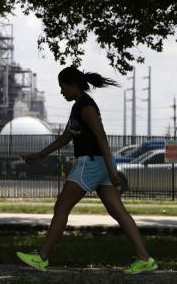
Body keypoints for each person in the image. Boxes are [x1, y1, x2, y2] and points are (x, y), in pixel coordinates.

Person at [16, 67, 158, 275]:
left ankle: (42, 257)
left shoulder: (86, 106)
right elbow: (67, 136)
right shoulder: (78, 106)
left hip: (90, 164)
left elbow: (102, 138)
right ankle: (145, 259)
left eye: (63, 87)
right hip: (97, 165)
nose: (62, 92)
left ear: (73, 85)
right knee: (118, 212)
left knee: (61, 207)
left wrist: (113, 170)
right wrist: (40, 155)